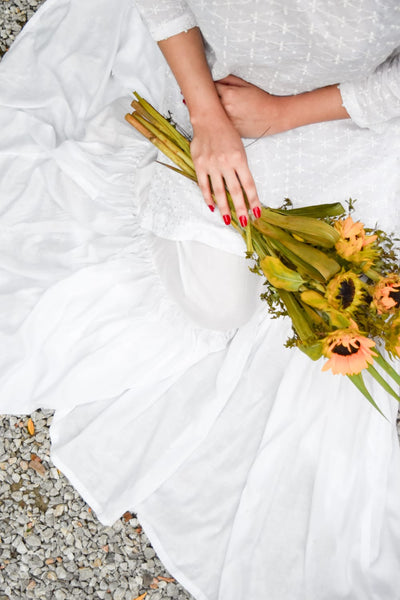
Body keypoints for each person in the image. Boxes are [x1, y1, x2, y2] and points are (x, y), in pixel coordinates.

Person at [0, 1, 399, 599]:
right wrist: (206, 115)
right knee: (217, 306)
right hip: (217, 87)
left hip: (343, 112)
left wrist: (284, 114)